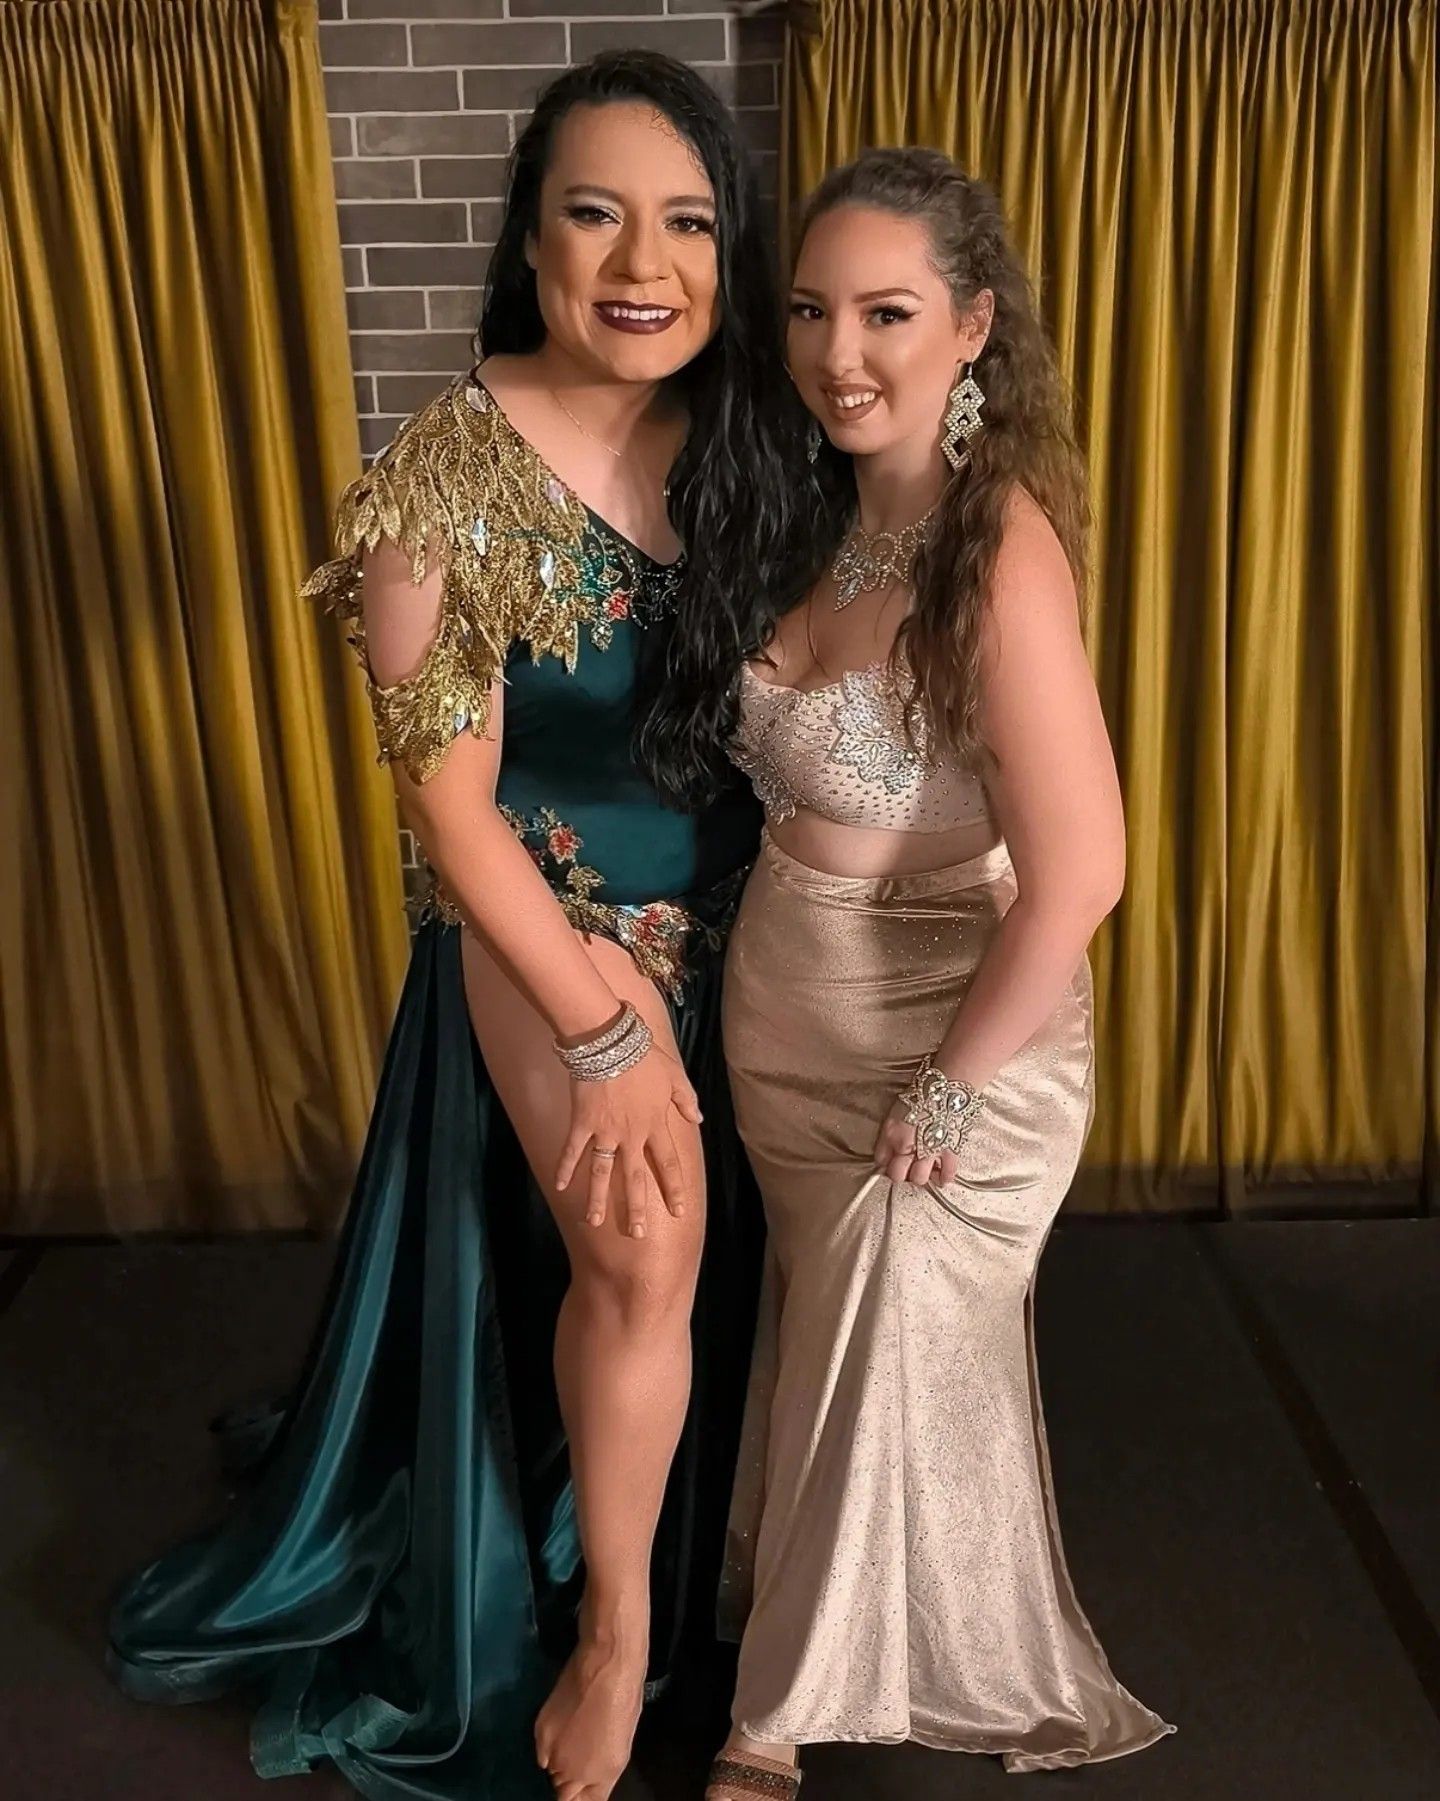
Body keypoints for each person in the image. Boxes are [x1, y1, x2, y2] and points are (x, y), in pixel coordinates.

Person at [108, 51, 805, 1801]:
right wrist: (603, 1021)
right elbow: (448, 808)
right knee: (645, 1239)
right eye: (596, 214)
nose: (643, 264)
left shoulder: (762, 434)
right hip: (540, 920)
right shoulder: (441, 480)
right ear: (529, 237)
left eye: (688, 222)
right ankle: (616, 1636)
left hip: (756, 916)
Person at [708, 149, 1175, 1799]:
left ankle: (773, 1713)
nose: (839, 353)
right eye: (812, 311)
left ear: (973, 326)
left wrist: (952, 1084)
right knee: (833, 1324)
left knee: (898, 1301)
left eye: (887, 314)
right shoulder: (818, 521)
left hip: (961, 1025)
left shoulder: (1000, 551)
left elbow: (1085, 870)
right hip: (789, 1020)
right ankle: (815, 1599)